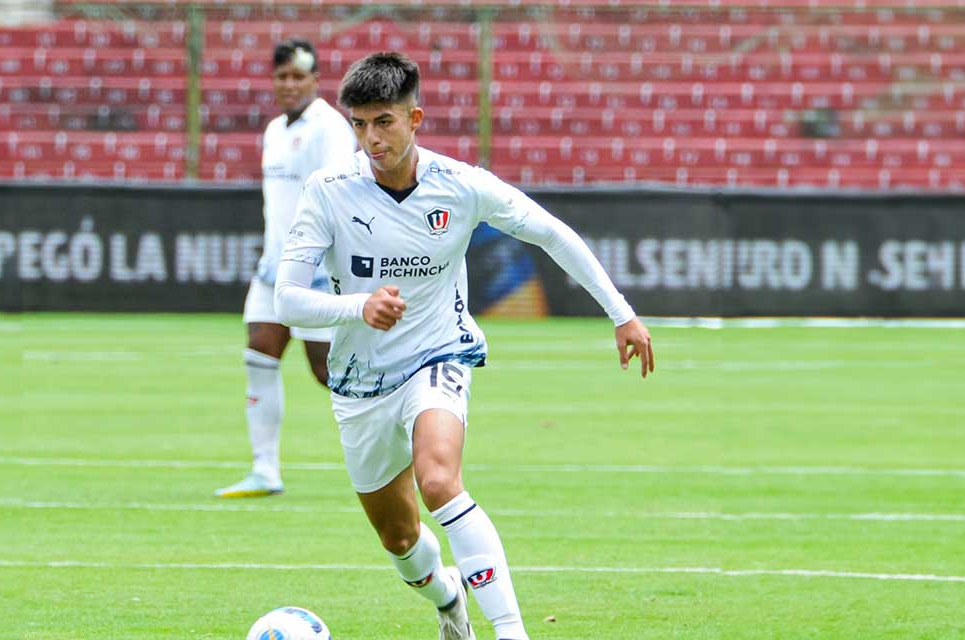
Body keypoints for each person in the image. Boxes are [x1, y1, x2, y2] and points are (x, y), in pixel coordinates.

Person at [274, 52, 654, 639]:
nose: (370, 139)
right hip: (359, 382)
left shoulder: (462, 187)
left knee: (439, 481)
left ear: (415, 118)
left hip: (437, 355)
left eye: (384, 122)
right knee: (400, 541)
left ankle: (509, 632)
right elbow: (287, 299)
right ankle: (450, 599)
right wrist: (359, 305)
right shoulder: (329, 191)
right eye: (359, 124)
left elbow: (551, 232)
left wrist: (621, 313)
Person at [216, 39, 357, 499]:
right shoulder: (275, 129)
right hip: (272, 267)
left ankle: (396, 438)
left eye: (299, 76)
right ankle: (265, 469)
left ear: (316, 81)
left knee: (327, 371)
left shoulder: (329, 128)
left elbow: (339, 192)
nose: (290, 84)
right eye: (282, 76)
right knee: (259, 351)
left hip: (313, 269)